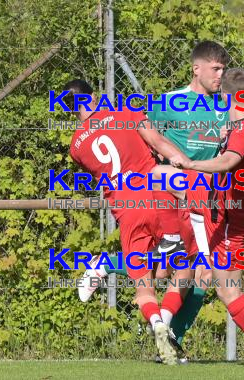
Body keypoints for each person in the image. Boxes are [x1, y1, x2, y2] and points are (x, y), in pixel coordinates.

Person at [90, 41, 231, 358]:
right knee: (180, 268)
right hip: (173, 195)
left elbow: (237, 147)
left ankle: (167, 338)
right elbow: (145, 137)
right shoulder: (170, 103)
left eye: (223, 69)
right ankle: (168, 338)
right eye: (215, 68)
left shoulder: (227, 106)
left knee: (196, 273)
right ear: (197, 69)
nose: (221, 74)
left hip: (208, 197)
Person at [155, 68, 244, 368]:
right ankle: (171, 334)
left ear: (227, 97)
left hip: (225, 217)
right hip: (227, 210)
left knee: (226, 288)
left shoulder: (242, 132)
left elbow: (229, 161)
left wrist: (192, 162)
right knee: (199, 271)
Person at [64, 79, 196, 365]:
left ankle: (157, 322)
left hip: (126, 208)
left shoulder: (76, 145)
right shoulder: (125, 111)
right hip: (157, 196)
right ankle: (167, 322)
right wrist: (186, 164)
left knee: (146, 282)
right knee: (185, 267)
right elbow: (158, 142)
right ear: (95, 96)